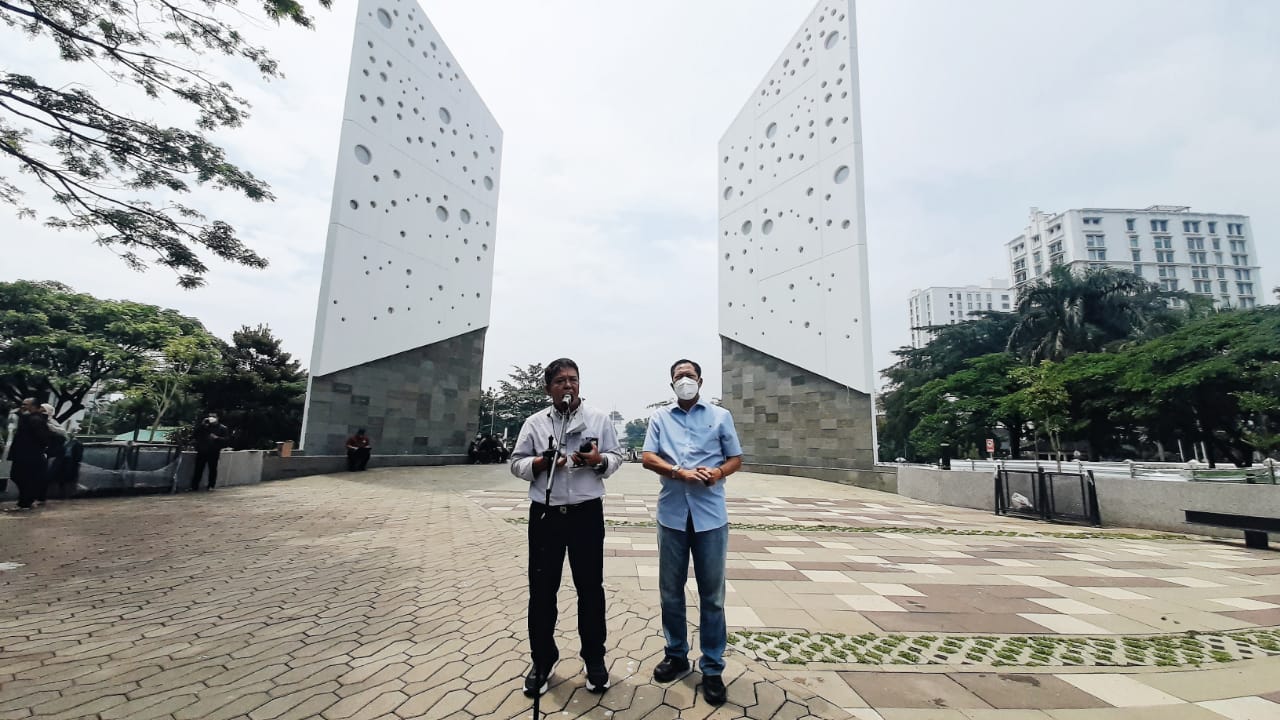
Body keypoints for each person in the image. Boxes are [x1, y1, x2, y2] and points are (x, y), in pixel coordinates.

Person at [510, 358, 623, 698]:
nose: (568, 386)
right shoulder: (534, 423)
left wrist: (598, 461)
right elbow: (516, 463)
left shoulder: (598, 419)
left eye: (573, 380)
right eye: (560, 381)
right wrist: (542, 462)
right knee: (543, 590)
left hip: (586, 513)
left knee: (590, 588)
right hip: (546, 515)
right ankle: (542, 660)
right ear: (548, 389)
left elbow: (616, 456)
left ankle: (594, 659)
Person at [642, 359, 743, 706]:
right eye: (678, 376)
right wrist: (677, 472)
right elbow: (647, 456)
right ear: (671, 383)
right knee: (670, 591)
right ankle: (676, 654)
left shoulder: (720, 416)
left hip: (710, 517)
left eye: (689, 375)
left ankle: (713, 667)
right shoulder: (660, 417)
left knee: (712, 595)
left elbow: (735, 458)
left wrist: (716, 474)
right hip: (671, 515)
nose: (685, 380)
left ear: (700, 380)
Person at [5, 398, 51, 512]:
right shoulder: (30, 418)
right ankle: (26, 502)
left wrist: (34, 449)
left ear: (34, 406)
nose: (23, 406)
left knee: (22, 477)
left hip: (29, 456)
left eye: (26, 404)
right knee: (19, 477)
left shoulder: (35, 419)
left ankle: (25, 503)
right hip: (25, 455)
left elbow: (43, 438)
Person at [37, 403, 67, 506]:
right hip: (48, 453)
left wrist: (49, 426)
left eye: (43, 409)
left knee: (47, 475)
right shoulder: (40, 422)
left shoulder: (51, 422)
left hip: (54, 453)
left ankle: (41, 497)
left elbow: (63, 433)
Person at [190, 413, 229, 491]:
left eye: (213, 417)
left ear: (217, 418)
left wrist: (217, 438)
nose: (211, 418)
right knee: (198, 469)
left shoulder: (222, 428)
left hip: (214, 451)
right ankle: (194, 486)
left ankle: (211, 485)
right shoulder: (205, 426)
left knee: (212, 469)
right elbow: (195, 435)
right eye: (210, 416)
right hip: (202, 451)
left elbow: (226, 440)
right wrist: (202, 425)